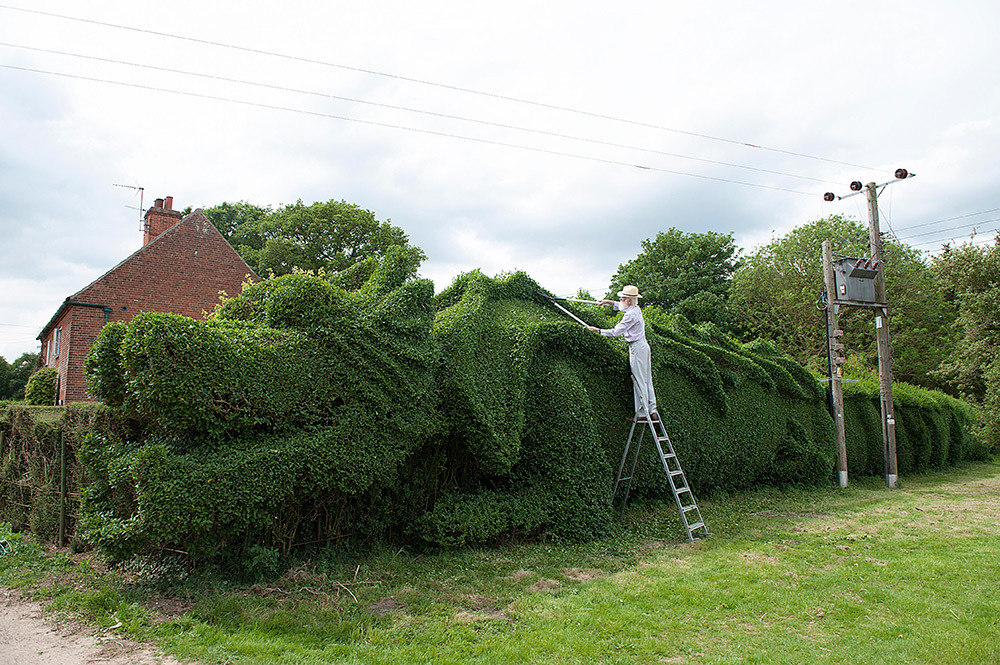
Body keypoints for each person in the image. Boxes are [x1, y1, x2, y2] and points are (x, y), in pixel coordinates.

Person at [587, 285, 658, 420]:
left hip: (637, 348)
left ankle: (643, 413)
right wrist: (608, 302)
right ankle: (652, 409)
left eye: (623, 298)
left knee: (639, 380)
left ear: (630, 301)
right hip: (643, 346)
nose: (620, 299)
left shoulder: (631, 315)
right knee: (647, 379)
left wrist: (599, 331)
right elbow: (620, 305)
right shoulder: (634, 308)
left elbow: (615, 332)